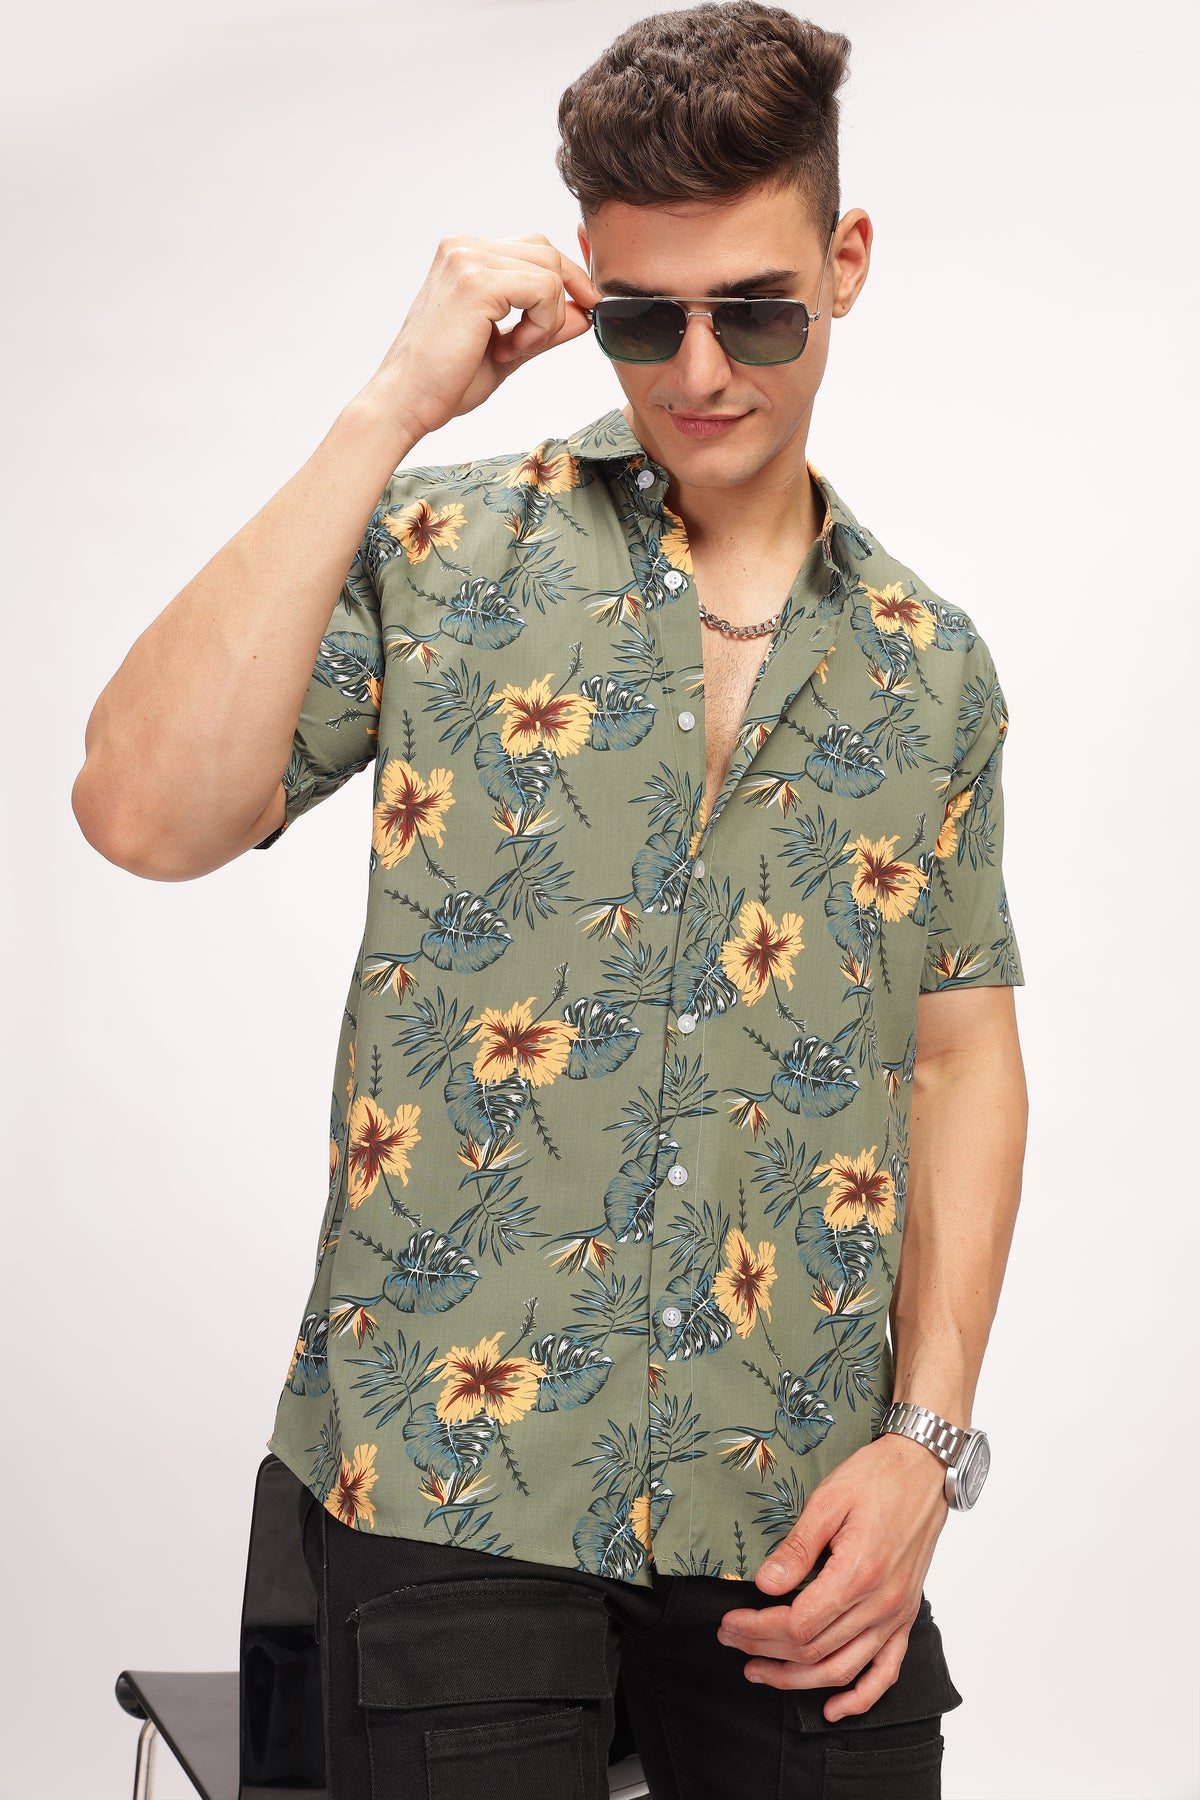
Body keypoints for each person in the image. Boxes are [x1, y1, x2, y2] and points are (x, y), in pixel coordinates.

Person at [73, 4, 1028, 1795]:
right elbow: (141, 810)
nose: (701, 372)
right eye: (648, 318)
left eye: (756, 310)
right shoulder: (443, 553)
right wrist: (388, 407)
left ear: (846, 263)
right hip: (457, 1479)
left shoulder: (932, 666)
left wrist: (928, 1443)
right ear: (589, 286)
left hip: (795, 1499)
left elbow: (957, 1057)